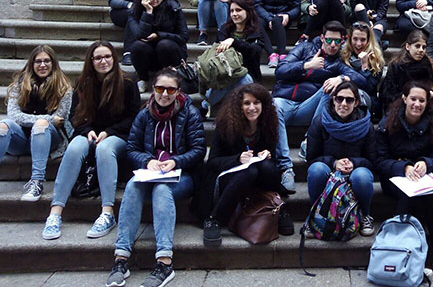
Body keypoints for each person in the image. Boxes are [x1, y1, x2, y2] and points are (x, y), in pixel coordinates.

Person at [105, 68, 206, 287]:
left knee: (162, 190)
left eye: (171, 89)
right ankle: (121, 257)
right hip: (150, 172)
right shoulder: (144, 114)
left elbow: (198, 150)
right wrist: (147, 161)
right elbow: (132, 148)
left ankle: (164, 261)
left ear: (178, 91)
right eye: (160, 88)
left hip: (181, 175)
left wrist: (176, 161)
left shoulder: (190, 113)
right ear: (153, 89)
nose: (165, 94)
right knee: (132, 186)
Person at [42, 41, 139, 240]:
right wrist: (87, 131)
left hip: (119, 136)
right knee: (75, 147)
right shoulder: (83, 84)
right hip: (91, 133)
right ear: (91, 61)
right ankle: (55, 212)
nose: (103, 61)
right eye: (98, 58)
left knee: (104, 149)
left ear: (114, 58)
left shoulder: (128, 83)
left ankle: (107, 212)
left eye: (107, 57)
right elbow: (74, 116)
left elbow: (133, 117)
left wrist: (109, 131)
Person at [376, 81, 433, 283]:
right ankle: (405, 252)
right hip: (396, 179)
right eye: (413, 99)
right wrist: (403, 167)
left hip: (424, 178)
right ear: (404, 99)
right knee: (407, 194)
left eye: (421, 100)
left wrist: (426, 163)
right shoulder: (387, 124)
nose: (417, 104)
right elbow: (379, 161)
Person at [272, 21, 366, 193]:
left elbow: (362, 80)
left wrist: (343, 79)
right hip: (284, 102)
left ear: (343, 41)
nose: (332, 45)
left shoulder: (337, 62)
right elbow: (280, 70)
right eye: (329, 40)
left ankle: (309, 141)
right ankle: (286, 168)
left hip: (308, 108)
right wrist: (307, 65)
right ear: (322, 38)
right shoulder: (305, 49)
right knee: (273, 105)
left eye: (337, 41)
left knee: (329, 88)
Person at [194, 83, 292, 247]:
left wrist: (266, 156)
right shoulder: (226, 125)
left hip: (258, 176)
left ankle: (279, 208)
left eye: (256, 103)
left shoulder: (268, 124)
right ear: (238, 106)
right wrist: (237, 159)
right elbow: (212, 162)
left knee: (267, 167)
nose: (252, 108)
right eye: (247, 103)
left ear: (263, 105)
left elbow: (273, 160)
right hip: (229, 177)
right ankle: (213, 219)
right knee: (250, 171)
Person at [1, 45, 71, 201]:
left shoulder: (63, 88)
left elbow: (59, 120)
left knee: (41, 124)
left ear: (53, 63)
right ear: (31, 64)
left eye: (47, 61)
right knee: (3, 125)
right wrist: (48, 118)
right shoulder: (19, 85)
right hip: (22, 140)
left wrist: (44, 121)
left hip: (50, 139)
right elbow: (14, 116)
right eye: (38, 61)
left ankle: (37, 182)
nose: (42, 65)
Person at [306, 82, 377, 237]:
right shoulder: (320, 121)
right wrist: (334, 163)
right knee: (316, 169)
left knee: (362, 176)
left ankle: (365, 215)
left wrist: (353, 162)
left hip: (355, 170)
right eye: (339, 99)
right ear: (333, 99)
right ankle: (315, 215)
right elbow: (311, 158)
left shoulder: (366, 124)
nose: (343, 104)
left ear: (356, 102)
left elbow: (372, 161)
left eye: (349, 100)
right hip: (329, 170)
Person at [204, 0, 266, 109]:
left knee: (243, 78)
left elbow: (255, 52)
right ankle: (206, 106)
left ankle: (206, 106)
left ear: (248, 11)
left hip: (249, 75)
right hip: (225, 74)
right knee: (229, 79)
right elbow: (217, 52)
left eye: (238, 10)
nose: (234, 14)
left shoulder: (257, 30)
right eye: (232, 11)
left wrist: (234, 42)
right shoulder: (225, 29)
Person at [128, 0, 189, 89]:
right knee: (137, 46)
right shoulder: (135, 10)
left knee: (164, 44)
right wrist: (148, 12)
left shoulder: (173, 8)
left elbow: (184, 36)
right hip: (149, 55)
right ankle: (144, 79)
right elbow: (140, 35)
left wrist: (159, 35)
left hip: (171, 52)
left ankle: (170, 79)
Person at [379, 30, 433, 115]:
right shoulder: (396, 66)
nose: (421, 50)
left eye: (424, 47)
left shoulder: (428, 66)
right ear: (408, 46)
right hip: (397, 105)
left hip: (421, 106)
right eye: (417, 46)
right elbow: (387, 92)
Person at [341, 21, 386, 117]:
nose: (358, 44)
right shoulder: (343, 55)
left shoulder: (376, 59)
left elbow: (369, 88)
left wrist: (364, 66)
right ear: (350, 39)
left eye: (363, 40)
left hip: (366, 99)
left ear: (368, 41)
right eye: (355, 39)